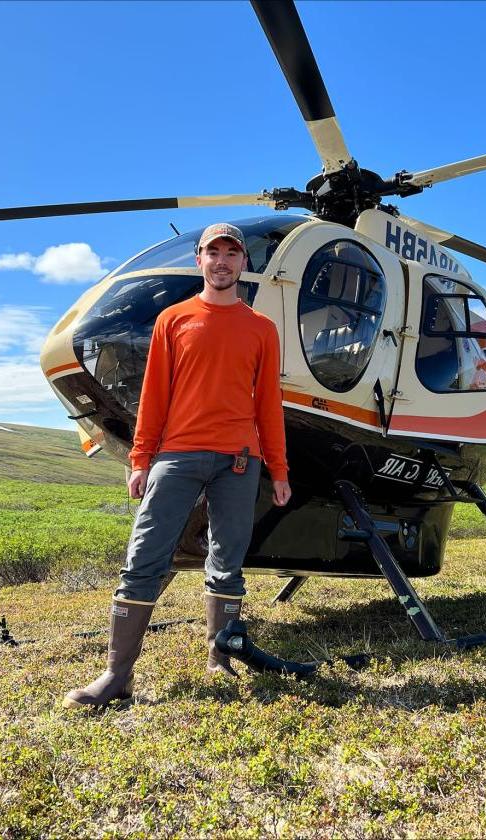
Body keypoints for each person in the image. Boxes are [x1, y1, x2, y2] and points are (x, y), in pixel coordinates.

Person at [63, 222, 291, 709]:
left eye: (233, 253)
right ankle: (116, 676)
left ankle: (219, 660)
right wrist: (141, 457)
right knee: (144, 560)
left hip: (239, 462)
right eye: (214, 253)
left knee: (227, 565)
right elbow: (154, 396)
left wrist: (279, 470)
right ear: (200, 261)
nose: (223, 261)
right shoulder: (173, 320)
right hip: (177, 456)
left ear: (244, 264)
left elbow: (268, 404)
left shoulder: (262, 330)